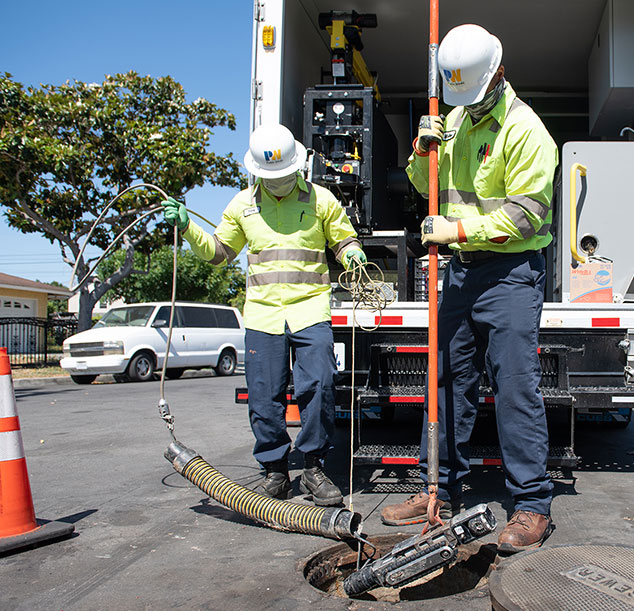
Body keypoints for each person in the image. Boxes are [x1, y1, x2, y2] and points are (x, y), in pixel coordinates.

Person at [380, 24, 559, 553]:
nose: (468, 103)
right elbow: (421, 184)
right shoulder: (453, 120)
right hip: (460, 273)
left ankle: (531, 505)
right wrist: (421, 150)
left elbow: (527, 217)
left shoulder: (527, 131)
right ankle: (436, 487)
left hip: (510, 274)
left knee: (514, 386)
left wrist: (457, 230)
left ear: (498, 73)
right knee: (445, 381)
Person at [161, 124, 366, 505]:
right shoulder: (242, 206)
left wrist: (352, 252)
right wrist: (188, 228)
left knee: (319, 387)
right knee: (263, 398)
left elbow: (343, 238)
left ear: (298, 168)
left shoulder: (321, 200)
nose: (278, 183)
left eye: (285, 175)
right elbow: (219, 253)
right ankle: (274, 470)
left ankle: (313, 468)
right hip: (262, 315)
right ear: (256, 172)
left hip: (310, 311)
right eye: (270, 177)